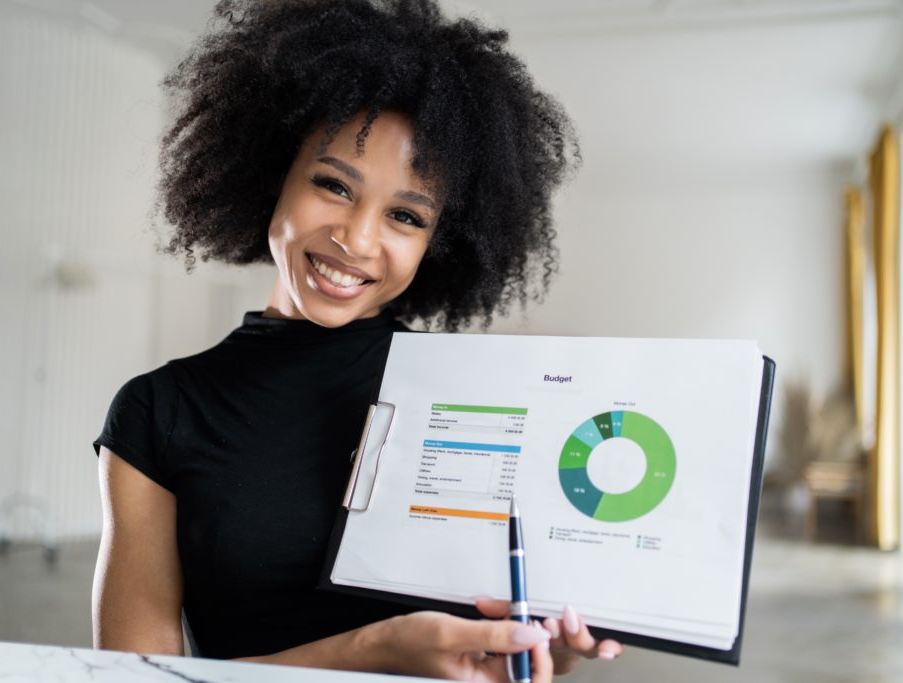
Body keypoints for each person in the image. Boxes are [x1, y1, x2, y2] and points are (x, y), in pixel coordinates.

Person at [91, 0, 623, 679]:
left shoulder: (471, 395)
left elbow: (494, 643)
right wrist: (371, 651)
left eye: (405, 214)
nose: (358, 238)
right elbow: (128, 676)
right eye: (334, 184)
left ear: (439, 243)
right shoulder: (159, 411)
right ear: (270, 174)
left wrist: (543, 645)